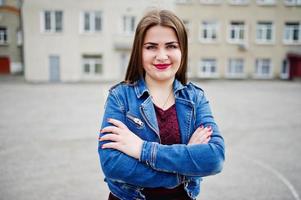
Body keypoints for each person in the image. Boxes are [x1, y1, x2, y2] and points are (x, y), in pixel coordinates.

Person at [98, 9, 225, 200]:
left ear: (182, 50)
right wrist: (182, 172)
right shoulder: (120, 97)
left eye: (171, 46)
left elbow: (214, 158)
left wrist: (142, 149)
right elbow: (112, 164)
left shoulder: (195, 98)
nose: (162, 56)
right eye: (151, 47)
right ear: (139, 52)